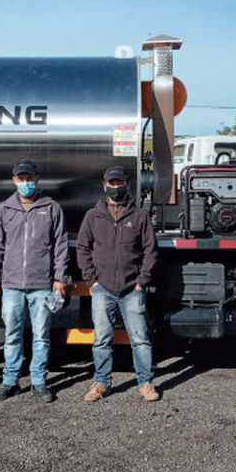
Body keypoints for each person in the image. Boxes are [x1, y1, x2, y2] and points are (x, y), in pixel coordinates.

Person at [76, 165, 160, 402]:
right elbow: (83, 248)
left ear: (127, 185)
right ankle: (102, 382)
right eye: (111, 184)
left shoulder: (139, 216)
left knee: (140, 339)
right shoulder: (93, 216)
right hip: (103, 289)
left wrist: (142, 281)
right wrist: (92, 280)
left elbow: (151, 251)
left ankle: (145, 383)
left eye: (119, 183)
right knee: (102, 339)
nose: (115, 187)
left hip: (132, 289)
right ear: (105, 186)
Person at [0, 159, 68, 403]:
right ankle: (10, 381)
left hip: (41, 284)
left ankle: (38, 381)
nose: (26, 182)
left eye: (29, 178)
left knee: (41, 336)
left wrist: (60, 277)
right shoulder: (5, 209)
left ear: (37, 178)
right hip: (11, 284)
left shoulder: (51, 208)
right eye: (21, 178)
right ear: (14, 180)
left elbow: (61, 245)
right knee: (12, 335)